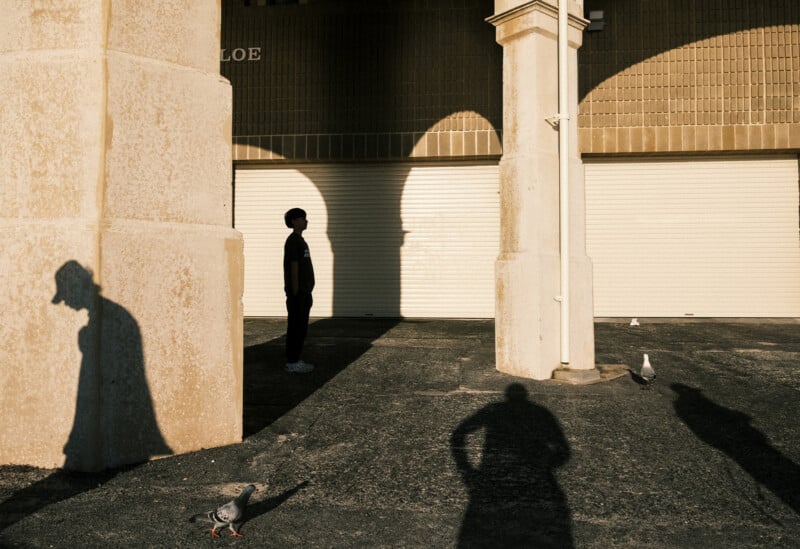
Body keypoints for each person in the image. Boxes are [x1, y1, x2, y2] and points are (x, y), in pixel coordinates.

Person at [283, 208, 315, 373]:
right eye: (303, 218)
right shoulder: (293, 241)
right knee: (296, 327)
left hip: (304, 293)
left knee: (301, 327)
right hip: (298, 295)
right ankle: (293, 362)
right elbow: (293, 266)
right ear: (294, 221)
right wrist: (296, 292)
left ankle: (296, 359)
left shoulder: (299, 240)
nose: (306, 221)